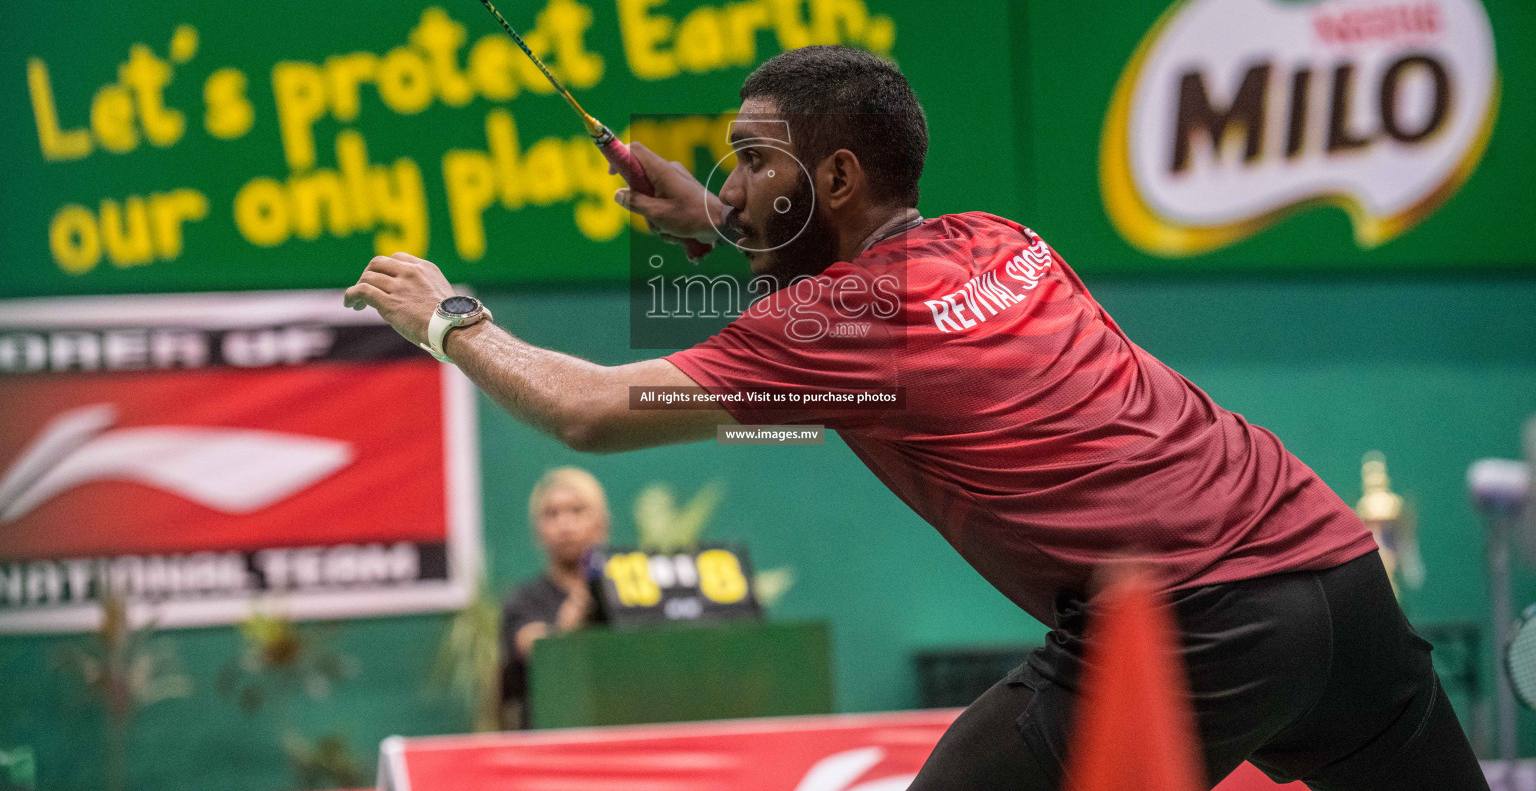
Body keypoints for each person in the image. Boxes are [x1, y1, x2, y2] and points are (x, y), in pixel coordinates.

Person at [345, 45, 1488, 790]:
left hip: (1186, 618)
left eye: (749, 160)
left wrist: (449, 318)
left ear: (835, 178)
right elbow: (860, 297)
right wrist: (708, 213)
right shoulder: (1001, 238)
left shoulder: (838, 325)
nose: (730, 183)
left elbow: (589, 410)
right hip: (1337, 566)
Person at [500, 467, 609, 729]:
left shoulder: (625, 592)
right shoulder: (524, 600)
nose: (565, 525)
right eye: (552, 514)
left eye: (577, 511)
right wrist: (568, 624)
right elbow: (531, 645)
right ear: (537, 529)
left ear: (601, 522)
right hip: (550, 741)